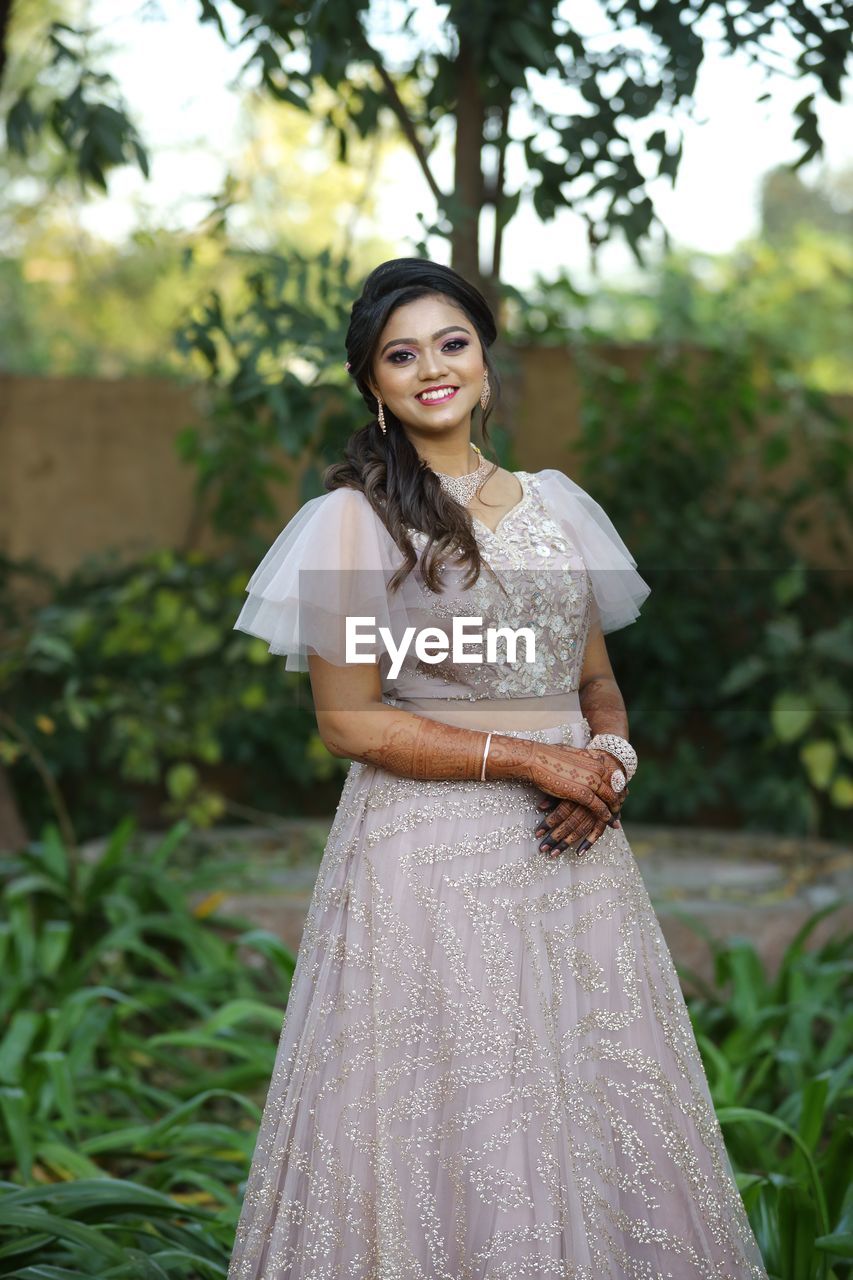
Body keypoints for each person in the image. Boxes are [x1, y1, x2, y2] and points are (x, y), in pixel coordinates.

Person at [227, 258, 768, 1278]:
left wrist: (605, 762)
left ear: (484, 356)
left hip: (573, 858)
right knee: (454, 1110)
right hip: (425, 858)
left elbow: (595, 681)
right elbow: (348, 722)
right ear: (371, 384)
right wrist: (534, 761)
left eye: (451, 342)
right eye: (401, 354)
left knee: (588, 1098)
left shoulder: (559, 507)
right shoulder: (354, 520)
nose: (431, 367)